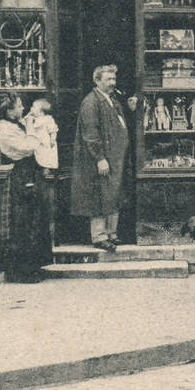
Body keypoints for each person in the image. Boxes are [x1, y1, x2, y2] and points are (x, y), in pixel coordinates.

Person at [0, 95, 54, 282]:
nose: (23, 109)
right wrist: (31, 129)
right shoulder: (5, 129)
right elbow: (29, 146)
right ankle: (20, 270)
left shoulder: (16, 124)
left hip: (30, 172)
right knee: (21, 222)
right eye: (19, 106)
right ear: (9, 111)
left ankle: (33, 266)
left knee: (34, 219)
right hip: (21, 175)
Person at [73, 65, 132, 251]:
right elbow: (90, 134)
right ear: (97, 81)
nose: (113, 83)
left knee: (112, 194)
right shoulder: (91, 102)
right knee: (99, 196)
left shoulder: (112, 100)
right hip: (100, 161)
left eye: (114, 79)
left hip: (114, 158)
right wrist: (100, 158)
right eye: (108, 80)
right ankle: (99, 236)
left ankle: (111, 234)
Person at [24, 97, 60, 178]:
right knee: (38, 156)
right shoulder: (32, 119)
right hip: (37, 142)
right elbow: (24, 122)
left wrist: (52, 139)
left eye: (33, 107)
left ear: (40, 111)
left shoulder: (47, 119)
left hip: (46, 143)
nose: (31, 108)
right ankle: (37, 173)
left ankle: (47, 171)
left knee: (46, 157)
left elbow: (53, 130)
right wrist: (28, 116)